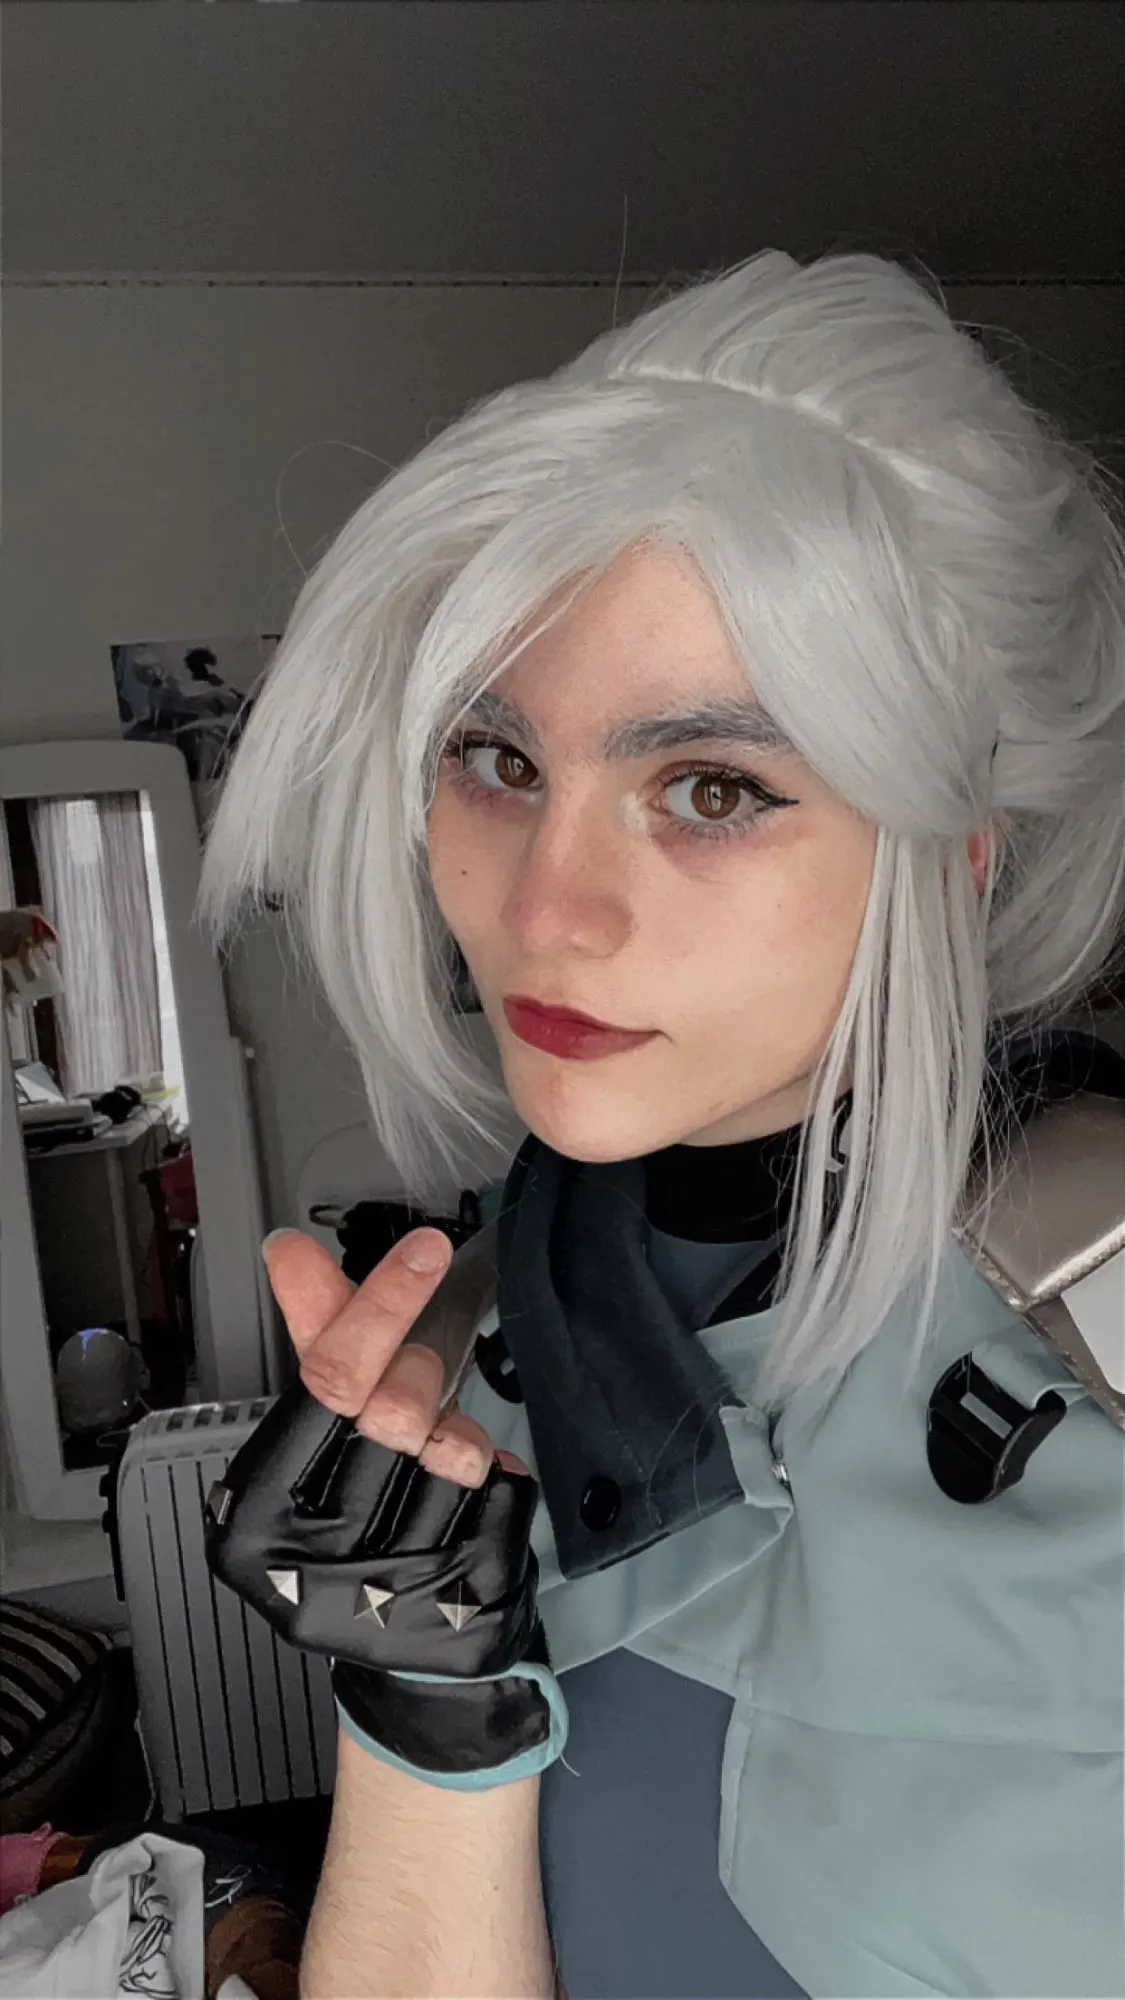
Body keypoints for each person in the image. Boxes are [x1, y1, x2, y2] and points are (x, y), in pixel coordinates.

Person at [199, 250, 1125, 1998]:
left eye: (711, 788)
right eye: (499, 760)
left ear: (958, 849)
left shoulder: (1098, 1314)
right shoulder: (478, 1352)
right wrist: (427, 1700)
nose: (547, 910)